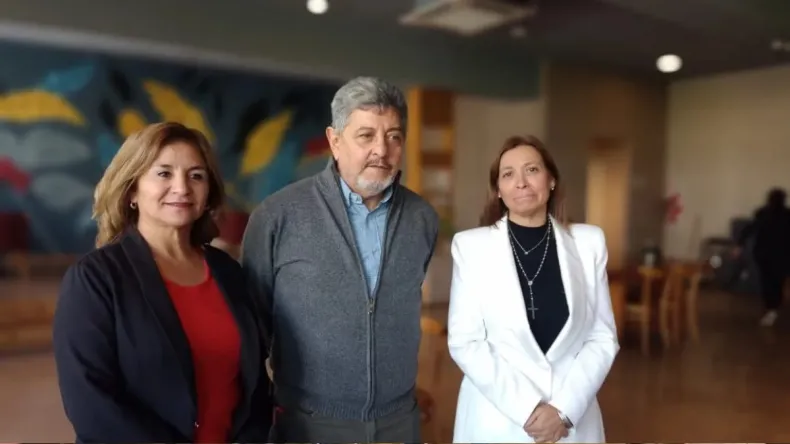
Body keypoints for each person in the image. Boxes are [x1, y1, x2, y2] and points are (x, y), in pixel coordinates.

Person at [241, 76, 439, 443]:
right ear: (334, 141)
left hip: (399, 423)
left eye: (394, 136)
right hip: (308, 425)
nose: (382, 150)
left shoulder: (422, 218)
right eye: (366, 136)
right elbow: (251, 334)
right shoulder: (277, 216)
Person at [53, 122, 272, 443]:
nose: (182, 188)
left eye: (196, 176)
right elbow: (91, 404)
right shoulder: (96, 278)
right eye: (164, 173)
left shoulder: (229, 272)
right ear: (132, 190)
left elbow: (254, 388)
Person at [447, 135, 619, 443]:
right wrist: (527, 408)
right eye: (508, 174)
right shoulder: (471, 247)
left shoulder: (588, 243)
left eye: (532, 170)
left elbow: (602, 337)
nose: (521, 182)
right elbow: (465, 342)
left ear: (551, 180)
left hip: (570, 421)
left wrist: (563, 410)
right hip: (496, 420)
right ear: (498, 190)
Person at [736, 188, 790, 326]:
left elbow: (749, 229)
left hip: (764, 254)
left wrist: (739, 245)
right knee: (778, 282)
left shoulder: (762, 213)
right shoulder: (787, 215)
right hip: (783, 256)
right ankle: (773, 308)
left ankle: (771, 308)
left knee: (767, 281)